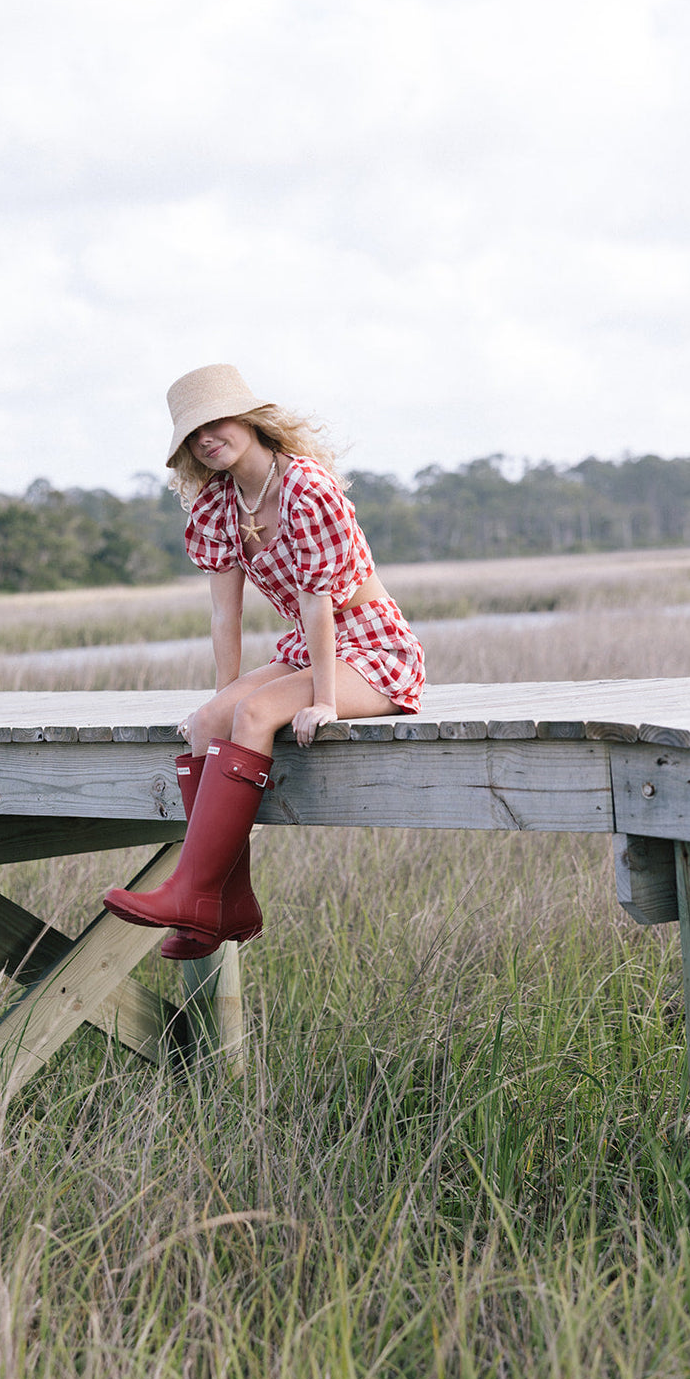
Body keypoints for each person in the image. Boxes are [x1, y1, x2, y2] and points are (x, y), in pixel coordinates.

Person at [103, 363, 425, 960]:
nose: (205, 438)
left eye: (214, 422)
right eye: (192, 434)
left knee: (256, 714)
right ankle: (226, 903)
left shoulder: (306, 488)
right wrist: (220, 701)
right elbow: (226, 616)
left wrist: (325, 700)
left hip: (371, 646)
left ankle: (192, 891)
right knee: (208, 723)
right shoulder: (219, 507)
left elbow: (319, 603)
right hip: (306, 646)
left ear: (249, 421)